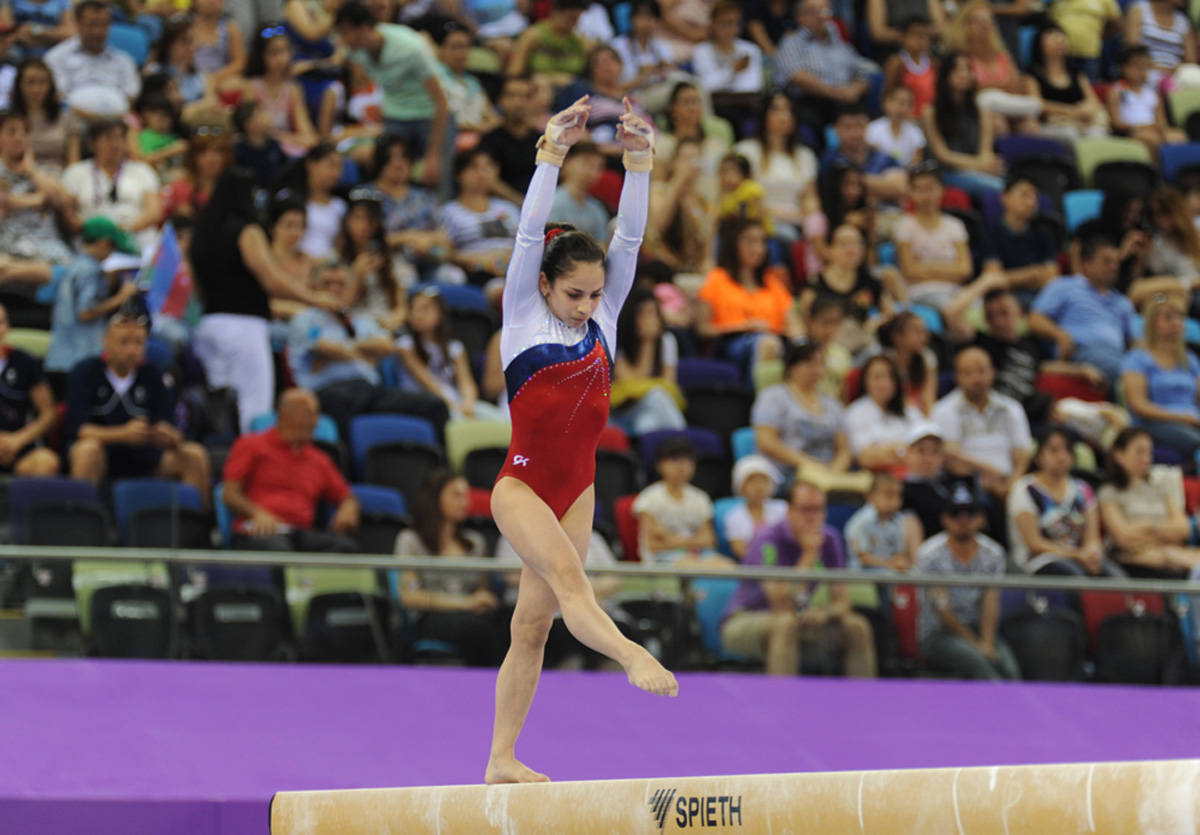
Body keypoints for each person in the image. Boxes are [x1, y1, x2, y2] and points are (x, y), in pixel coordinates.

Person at [486, 96, 677, 787]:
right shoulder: (522, 315)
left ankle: (501, 756)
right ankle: (631, 655)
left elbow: (628, 240)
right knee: (572, 583)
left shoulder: (606, 320)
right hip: (522, 485)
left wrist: (639, 162)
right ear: (545, 285)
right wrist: (551, 153)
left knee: (530, 629)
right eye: (575, 295)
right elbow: (528, 232)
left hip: (578, 486)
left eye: (597, 295)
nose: (589, 305)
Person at [189, 168, 340, 434]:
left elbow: (196, 286)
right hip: (244, 327)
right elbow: (272, 281)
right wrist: (315, 299)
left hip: (208, 325)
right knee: (253, 409)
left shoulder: (201, 234)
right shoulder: (248, 231)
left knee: (219, 410)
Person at [720, 480, 878, 676]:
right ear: (790, 510)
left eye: (819, 510)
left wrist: (825, 614)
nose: (813, 517)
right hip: (745, 619)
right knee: (786, 623)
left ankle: (863, 702)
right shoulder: (766, 539)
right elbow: (780, 602)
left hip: (798, 618)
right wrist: (809, 555)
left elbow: (842, 601)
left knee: (856, 627)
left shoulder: (830, 539)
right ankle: (782, 704)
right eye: (805, 510)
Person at [287, 261, 450, 439]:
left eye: (340, 284)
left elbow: (387, 345)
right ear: (314, 287)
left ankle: (435, 465)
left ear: (351, 288)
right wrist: (363, 351)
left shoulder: (361, 321)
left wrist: (346, 348)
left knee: (434, 406)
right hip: (327, 391)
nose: (334, 289)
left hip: (369, 390)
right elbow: (324, 348)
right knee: (341, 402)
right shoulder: (305, 319)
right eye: (327, 284)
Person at [65, 306, 211, 499]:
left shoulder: (157, 375)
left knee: (194, 455)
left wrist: (168, 436)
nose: (132, 350)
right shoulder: (84, 372)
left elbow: (172, 427)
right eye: (124, 342)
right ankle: (80, 522)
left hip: (145, 455)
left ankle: (197, 523)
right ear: (106, 340)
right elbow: (79, 430)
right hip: (103, 454)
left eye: (138, 343)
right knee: (86, 450)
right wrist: (122, 434)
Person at [222, 387, 360, 555]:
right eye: (310, 414)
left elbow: (346, 496)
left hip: (298, 534)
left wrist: (348, 508)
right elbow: (230, 493)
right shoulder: (250, 446)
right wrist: (257, 514)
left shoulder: (319, 459)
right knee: (279, 551)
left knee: (345, 548)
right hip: (259, 532)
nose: (316, 422)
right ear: (287, 415)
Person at [393, 469, 504, 667]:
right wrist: (466, 603)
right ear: (435, 498)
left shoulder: (475, 542)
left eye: (466, 495)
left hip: (471, 615)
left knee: (505, 620)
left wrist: (480, 601)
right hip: (431, 617)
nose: (465, 502)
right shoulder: (410, 540)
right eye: (456, 495)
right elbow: (410, 596)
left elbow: (482, 590)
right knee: (474, 628)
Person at [336, 1, 449, 190]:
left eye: (346, 32)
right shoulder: (353, 51)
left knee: (438, 180)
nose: (343, 40)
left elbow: (441, 101)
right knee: (388, 177)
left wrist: (433, 155)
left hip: (429, 115)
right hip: (395, 116)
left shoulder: (409, 47)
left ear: (364, 28)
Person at [916, 481, 1020, 680]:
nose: (963, 521)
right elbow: (943, 610)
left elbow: (991, 601)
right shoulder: (930, 554)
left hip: (979, 629)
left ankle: (1018, 709)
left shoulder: (993, 553)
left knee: (1009, 668)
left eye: (970, 514)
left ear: (981, 518)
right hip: (938, 635)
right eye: (956, 514)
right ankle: (1000, 710)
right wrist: (977, 644)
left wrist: (987, 641)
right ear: (945, 519)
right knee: (981, 666)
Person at [752, 341, 869, 492]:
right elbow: (766, 442)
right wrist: (806, 463)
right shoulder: (772, 397)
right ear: (792, 366)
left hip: (828, 475)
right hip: (787, 474)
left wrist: (833, 471)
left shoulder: (833, 404)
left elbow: (844, 449)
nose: (816, 369)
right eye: (809, 363)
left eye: (820, 364)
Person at [1007, 426, 1123, 577]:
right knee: (1074, 576)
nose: (1062, 457)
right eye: (1054, 451)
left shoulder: (1083, 489)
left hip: (1079, 556)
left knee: (1117, 578)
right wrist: (1077, 555)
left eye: (1067, 450)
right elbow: (1034, 543)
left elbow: (1092, 538)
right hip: (1040, 560)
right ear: (1038, 456)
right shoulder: (1024, 489)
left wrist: (1091, 553)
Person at [1029, 231, 1138, 381]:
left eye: (1116, 262)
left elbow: (1135, 343)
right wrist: (1059, 334)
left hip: (1117, 356)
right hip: (1082, 352)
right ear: (1087, 264)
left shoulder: (1123, 302)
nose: (1113, 266)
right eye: (1106, 261)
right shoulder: (1064, 286)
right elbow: (1035, 320)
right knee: (1130, 373)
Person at [930, 345, 1032, 502]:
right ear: (957, 377)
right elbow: (952, 460)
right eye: (968, 373)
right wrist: (995, 477)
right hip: (969, 483)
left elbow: (1022, 454)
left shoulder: (1011, 408)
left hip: (1011, 483)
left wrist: (1011, 484)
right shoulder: (944, 410)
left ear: (993, 373)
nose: (976, 379)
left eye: (981, 371)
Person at [44, 217, 141, 380]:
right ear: (103, 243)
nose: (112, 253)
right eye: (112, 247)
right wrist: (121, 297)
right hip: (79, 356)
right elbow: (85, 313)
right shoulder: (89, 271)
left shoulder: (76, 264)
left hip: (62, 356)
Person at [773, 0, 877, 145]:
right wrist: (834, 92)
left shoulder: (838, 42)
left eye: (825, 10)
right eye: (814, 11)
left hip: (845, 99)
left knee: (868, 117)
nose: (822, 16)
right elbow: (797, 76)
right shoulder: (792, 41)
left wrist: (856, 88)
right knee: (810, 119)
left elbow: (862, 69)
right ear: (800, 17)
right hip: (811, 101)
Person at [1099, 427, 1200, 575]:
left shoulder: (1162, 482)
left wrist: (1143, 526)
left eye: (1149, 452)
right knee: (1168, 556)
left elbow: (1182, 529)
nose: (1146, 459)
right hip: (1133, 559)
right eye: (1139, 452)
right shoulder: (1109, 493)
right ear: (1119, 455)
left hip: (1172, 551)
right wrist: (1163, 529)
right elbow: (1122, 538)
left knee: (1173, 554)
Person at [695, 217, 792, 368]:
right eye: (751, 242)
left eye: (762, 242)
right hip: (732, 344)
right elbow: (702, 328)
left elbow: (793, 323)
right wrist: (745, 326)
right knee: (767, 344)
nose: (758, 249)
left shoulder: (772, 283)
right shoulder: (717, 279)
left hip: (775, 340)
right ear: (734, 244)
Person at [61, 118, 161, 253]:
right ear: (92, 144)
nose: (116, 145)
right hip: (92, 241)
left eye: (120, 139)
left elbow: (153, 211)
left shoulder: (142, 171)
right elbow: (68, 214)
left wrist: (124, 231)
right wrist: (95, 231)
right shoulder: (75, 172)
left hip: (135, 236)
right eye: (109, 139)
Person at [396, 286, 497, 420]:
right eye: (413, 309)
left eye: (424, 309)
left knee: (498, 419)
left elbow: (466, 383)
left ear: (440, 314)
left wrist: (468, 404)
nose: (417, 314)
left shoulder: (454, 348)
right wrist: (453, 406)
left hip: (455, 400)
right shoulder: (405, 346)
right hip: (427, 402)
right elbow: (427, 382)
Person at [1120, 294, 1200, 462]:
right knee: (1194, 441)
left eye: (1180, 317)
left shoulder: (1189, 359)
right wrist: (1181, 417)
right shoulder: (1138, 358)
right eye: (1168, 318)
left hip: (1191, 421)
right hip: (1155, 423)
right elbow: (1138, 405)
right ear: (1153, 323)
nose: (1176, 322)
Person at [731, 92, 817, 237]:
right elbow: (743, 197)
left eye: (788, 110)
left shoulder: (805, 155)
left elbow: (810, 198)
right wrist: (786, 217)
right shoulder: (745, 151)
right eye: (776, 109)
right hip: (759, 222)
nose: (784, 116)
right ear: (763, 114)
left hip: (799, 222)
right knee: (786, 235)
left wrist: (812, 218)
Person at [921, 52, 1005, 201]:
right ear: (946, 75)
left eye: (967, 69)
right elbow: (943, 155)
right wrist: (980, 165)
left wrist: (984, 163)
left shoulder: (981, 112)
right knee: (1000, 188)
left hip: (977, 169)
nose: (964, 75)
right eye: (958, 70)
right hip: (947, 173)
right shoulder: (930, 113)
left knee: (1014, 185)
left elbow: (985, 151)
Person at [633, 436, 730, 564]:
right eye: (675, 460)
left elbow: (709, 540)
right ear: (660, 465)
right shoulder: (649, 498)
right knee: (688, 565)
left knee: (726, 566)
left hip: (697, 555)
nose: (682, 465)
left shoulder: (700, 498)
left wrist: (670, 538)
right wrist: (693, 540)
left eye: (687, 460)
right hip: (661, 558)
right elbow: (653, 544)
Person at [894, 161, 973, 312]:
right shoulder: (904, 226)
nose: (926, 195)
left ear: (942, 190)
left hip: (955, 291)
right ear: (910, 192)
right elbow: (910, 271)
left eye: (930, 188)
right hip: (921, 292)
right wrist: (950, 270)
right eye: (920, 189)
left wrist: (926, 267)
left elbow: (965, 269)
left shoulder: (955, 225)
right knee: (953, 309)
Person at [610, 287, 687, 436]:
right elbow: (632, 383)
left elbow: (669, 385)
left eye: (653, 313)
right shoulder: (617, 340)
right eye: (644, 313)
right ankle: (684, 441)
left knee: (646, 425)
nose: (650, 319)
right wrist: (647, 342)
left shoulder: (667, 340)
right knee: (657, 395)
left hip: (650, 410)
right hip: (621, 409)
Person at [439, 147, 520, 287]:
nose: (482, 173)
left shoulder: (509, 209)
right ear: (459, 174)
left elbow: (526, 244)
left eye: (487, 166)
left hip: (512, 267)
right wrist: (478, 259)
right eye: (474, 167)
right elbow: (444, 252)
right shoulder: (449, 212)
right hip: (474, 270)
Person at [44, 0, 140, 117]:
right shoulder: (56, 57)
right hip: (73, 121)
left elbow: (131, 97)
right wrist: (95, 119)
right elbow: (58, 97)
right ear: (78, 24)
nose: (97, 32)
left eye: (102, 26)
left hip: (116, 123)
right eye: (92, 25)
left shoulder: (124, 61)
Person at [977, 178, 1060, 309]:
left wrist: (1011, 278)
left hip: (1040, 297)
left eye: (1034, 197)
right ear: (1005, 198)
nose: (1031, 202)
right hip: (1006, 298)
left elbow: (1051, 276)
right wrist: (1033, 274)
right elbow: (993, 278)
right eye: (1024, 195)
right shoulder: (991, 233)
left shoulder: (1044, 233)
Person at [240, 22, 319, 159]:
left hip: (287, 149)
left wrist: (281, 137)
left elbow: (308, 135)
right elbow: (253, 131)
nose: (281, 58)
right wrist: (284, 139)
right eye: (274, 53)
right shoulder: (251, 87)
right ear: (261, 55)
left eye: (285, 51)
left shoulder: (293, 89)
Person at [0, 302, 60, 476]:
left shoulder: (24, 362)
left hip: (18, 446)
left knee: (47, 462)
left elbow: (49, 414)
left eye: (2, 322)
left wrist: (17, 440)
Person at [691, 0, 764, 138]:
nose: (731, 29)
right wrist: (732, 71)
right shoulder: (701, 51)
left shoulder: (750, 49)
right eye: (725, 23)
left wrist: (724, 82)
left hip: (747, 104)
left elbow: (754, 84)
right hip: (718, 105)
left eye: (735, 23)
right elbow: (706, 86)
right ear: (712, 24)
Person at [1027, 24, 1109, 142]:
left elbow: (1092, 99)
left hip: (1080, 120)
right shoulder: (1031, 74)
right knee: (1069, 134)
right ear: (1039, 44)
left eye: (1061, 38)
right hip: (1052, 123)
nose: (1059, 42)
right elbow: (1037, 104)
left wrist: (1087, 109)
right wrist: (1070, 111)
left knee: (1096, 133)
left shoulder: (1076, 72)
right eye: (1053, 38)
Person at [843, 354, 924, 472]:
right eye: (877, 377)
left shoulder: (909, 411)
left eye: (890, 377)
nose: (884, 383)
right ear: (865, 381)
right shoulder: (854, 413)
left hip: (912, 474)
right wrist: (904, 451)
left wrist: (883, 451)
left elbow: (926, 445)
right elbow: (864, 457)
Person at [1107, 45, 1186, 157]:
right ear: (1123, 68)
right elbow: (1116, 123)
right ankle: (1156, 172)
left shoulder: (1153, 92)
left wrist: (1160, 128)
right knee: (1151, 139)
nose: (1142, 72)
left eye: (1145, 67)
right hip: (1131, 132)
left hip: (1153, 129)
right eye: (1137, 67)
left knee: (1179, 136)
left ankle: (1179, 172)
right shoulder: (1117, 91)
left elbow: (1161, 121)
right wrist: (1141, 127)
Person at [820, 104, 909, 204]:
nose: (855, 133)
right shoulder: (830, 159)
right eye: (848, 127)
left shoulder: (882, 157)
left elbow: (902, 187)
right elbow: (840, 194)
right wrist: (883, 186)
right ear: (836, 129)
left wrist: (855, 182)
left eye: (859, 125)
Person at [9, 56, 80, 174]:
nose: (36, 89)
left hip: (59, 181)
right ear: (19, 85)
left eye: (42, 82)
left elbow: (73, 165)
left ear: (50, 86)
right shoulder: (8, 121)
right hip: (18, 178)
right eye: (30, 82)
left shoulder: (67, 119)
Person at [478, 76, 539, 207]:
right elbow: (489, 180)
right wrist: (521, 202)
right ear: (501, 101)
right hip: (501, 205)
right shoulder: (490, 139)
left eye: (524, 97)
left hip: (538, 205)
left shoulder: (542, 140)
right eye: (512, 96)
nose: (518, 103)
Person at [844, 472, 920, 572]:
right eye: (889, 495)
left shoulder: (898, 521)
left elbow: (899, 552)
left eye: (898, 496)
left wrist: (901, 563)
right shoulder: (860, 523)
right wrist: (890, 564)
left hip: (890, 574)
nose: (895, 501)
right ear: (870, 495)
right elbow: (863, 558)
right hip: (863, 577)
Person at [722, 454, 786, 560]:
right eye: (752, 482)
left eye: (764, 481)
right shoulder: (733, 516)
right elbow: (740, 551)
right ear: (741, 487)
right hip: (752, 568)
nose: (759, 487)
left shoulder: (783, 509)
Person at [549, 141, 609, 243]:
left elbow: (602, 246)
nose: (592, 172)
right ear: (568, 163)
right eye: (587, 164)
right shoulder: (552, 202)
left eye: (598, 167)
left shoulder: (596, 208)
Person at [1125, 0, 1196, 86]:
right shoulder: (1138, 10)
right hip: (1144, 71)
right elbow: (1132, 48)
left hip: (1174, 75)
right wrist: (1156, 68)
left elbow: (1191, 61)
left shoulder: (1183, 22)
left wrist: (1173, 71)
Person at [881, 16, 935, 117]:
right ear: (902, 37)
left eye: (925, 35)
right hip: (906, 117)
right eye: (916, 34)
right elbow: (888, 92)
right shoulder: (897, 62)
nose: (921, 39)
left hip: (928, 117)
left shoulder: (933, 63)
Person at [866, 85, 926, 168]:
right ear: (886, 103)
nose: (901, 107)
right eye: (898, 102)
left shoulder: (916, 131)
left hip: (906, 175)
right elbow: (872, 160)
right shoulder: (872, 128)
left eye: (908, 103)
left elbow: (916, 161)